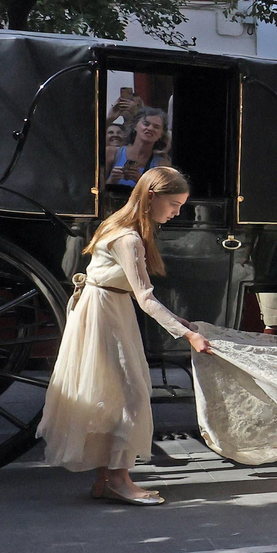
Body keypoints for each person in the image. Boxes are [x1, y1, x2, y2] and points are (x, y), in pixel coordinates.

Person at [39, 168, 212, 505]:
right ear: (152, 197)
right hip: (105, 315)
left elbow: (134, 291)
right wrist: (186, 336)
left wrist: (179, 320)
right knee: (130, 393)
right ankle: (119, 479)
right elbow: (145, 296)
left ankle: (107, 478)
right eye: (174, 204)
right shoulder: (128, 238)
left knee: (114, 392)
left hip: (106, 309)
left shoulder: (119, 226)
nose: (177, 212)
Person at [102, 107, 168, 191]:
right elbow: (96, 188)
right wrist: (111, 180)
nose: (150, 128)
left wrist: (140, 181)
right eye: (146, 124)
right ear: (135, 126)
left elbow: (161, 197)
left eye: (156, 127)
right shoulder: (112, 153)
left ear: (161, 134)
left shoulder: (161, 164)